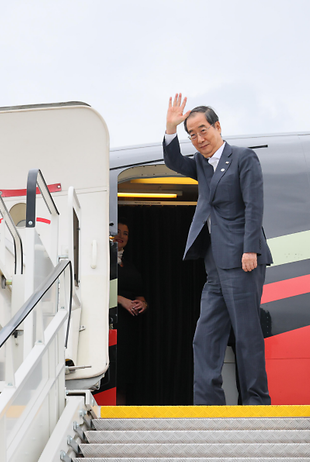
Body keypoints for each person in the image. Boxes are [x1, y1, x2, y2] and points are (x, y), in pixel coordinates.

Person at [163, 93, 273, 406]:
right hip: (215, 266)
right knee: (204, 338)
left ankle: (256, 402)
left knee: (246, 335)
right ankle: (208, 406)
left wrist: (250, 249)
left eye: (203, 130)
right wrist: (170, 129)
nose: (198, 138)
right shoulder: (200, 163)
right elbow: (173, 161)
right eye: (191, 134)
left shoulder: (242, 157)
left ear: (217, 126)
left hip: (242, 260)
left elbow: (254, 204)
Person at [113, 221, 147, 404]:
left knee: (125, 374)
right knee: (112, 371)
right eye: (117, 232)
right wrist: (121, 300)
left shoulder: (130, 265)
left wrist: (143, 304)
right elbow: (95, 287)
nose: (121, 236)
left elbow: (140, 293)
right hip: (110, 323)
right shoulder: (103, 261)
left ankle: (119, 415)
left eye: (125, 233)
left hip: (129, 326)